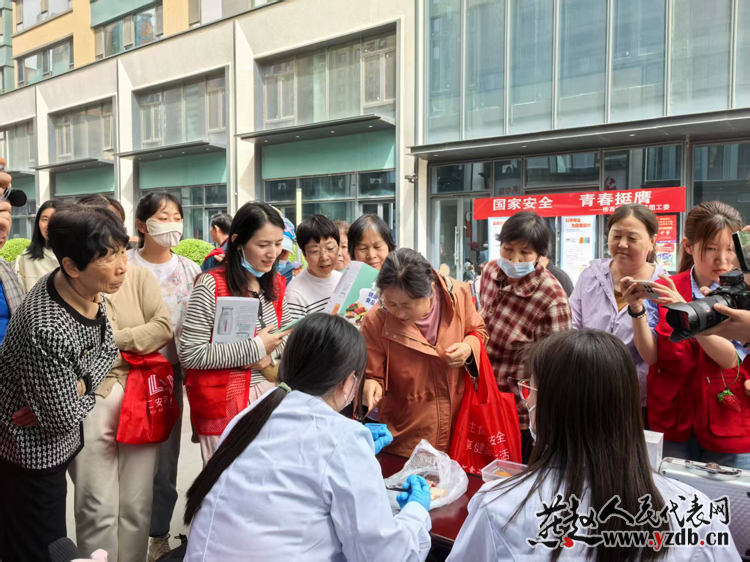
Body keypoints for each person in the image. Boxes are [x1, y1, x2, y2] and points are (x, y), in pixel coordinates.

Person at [448, 330, 740, 562]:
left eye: (530, 389)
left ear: (553, 408)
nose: (527, 401)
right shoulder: (696, 511)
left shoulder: (500, 507)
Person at [184, 313, 432, 562]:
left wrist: (355, 454)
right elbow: (383, 555)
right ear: (349, 381)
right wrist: (415, 514)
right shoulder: (342, 437)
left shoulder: (250, 415)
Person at [0, 206, 127, 562]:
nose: (122, 266)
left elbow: (109, 350)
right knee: (42, 546)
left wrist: (77, 386)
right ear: (71, 265)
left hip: (54, 444)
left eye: (122, 251)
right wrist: (64, 399)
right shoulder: (47, 325)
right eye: (108, 257)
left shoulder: (87, 287)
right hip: (29, 454)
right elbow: (60, 418)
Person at [67, 195, 173, 562]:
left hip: (139, 393)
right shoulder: (69, 280)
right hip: (91, 396)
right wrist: (128, 342)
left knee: (136, 502)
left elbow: (162, 326)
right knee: (94, 503)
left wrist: (111, 341)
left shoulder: (139, 275)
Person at [625, 201, 750, 468]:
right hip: (672, 419)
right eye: (711, 248)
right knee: (672, 492)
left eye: (730, 249)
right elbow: (651, 356)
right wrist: (636, 310)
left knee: (729, 493)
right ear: (689, 246)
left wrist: (684, 309)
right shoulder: (665, 287)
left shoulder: (743, 292)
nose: (723, 260)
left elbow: (730, 359)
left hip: (726, 422)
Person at [179, 202, 291, 465]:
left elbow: (286, 336)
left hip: (269, 398)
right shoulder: (210, 285)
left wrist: (269, 357)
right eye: (263, 245)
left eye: (278, 244)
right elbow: (191, 354)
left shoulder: (276, 284)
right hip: (222, 403)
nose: (272, 253)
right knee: (224, 481)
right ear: (238, 242)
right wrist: (255, 349)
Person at [127, 192, 202, 561]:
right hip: (128, 370)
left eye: (176, 217)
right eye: (163, 217)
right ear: (142, 225)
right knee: (127, 455)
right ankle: (125, 534)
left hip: (171, 373)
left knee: (166, 459)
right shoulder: (124, 264)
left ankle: (158, 533)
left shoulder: (190, 270)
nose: (172, 224)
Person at [360, 248, 488, 456]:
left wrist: (468, 347)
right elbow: (372, 374)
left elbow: (478, 331)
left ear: (431, 291)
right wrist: (370, 385)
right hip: (405, 436)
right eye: (390, 303)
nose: (399, 312)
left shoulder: (458, 295)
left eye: (407, 305)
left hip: (459, 426)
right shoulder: (376, 320)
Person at [480, 211, 572, 462]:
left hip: (516, 415)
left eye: (525, 253)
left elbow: (555, 371)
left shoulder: (552, 299)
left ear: (540, 256)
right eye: (508, 249)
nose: (514, 259)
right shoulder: (490, 272)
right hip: (480, 401)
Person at [570, 204, 665, 409]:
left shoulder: (663, 286)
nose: (622, 244)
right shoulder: (590, 276)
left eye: (632, 238)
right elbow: (572, 328)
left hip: (637, 399)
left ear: (652, 242)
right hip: (587, 390)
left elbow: (655, 354)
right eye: (616, 236)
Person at [287, 214, 342, 319]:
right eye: (315, 251)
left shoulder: (343, 280)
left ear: (338, 248)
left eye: (330, 248)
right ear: (304, 254)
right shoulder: (295, 294)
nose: (324, 257)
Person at [17, 199, 62, 292]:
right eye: (44, 220)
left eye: (54, 219)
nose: (48, 225)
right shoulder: (27, 257)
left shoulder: (77, 255)